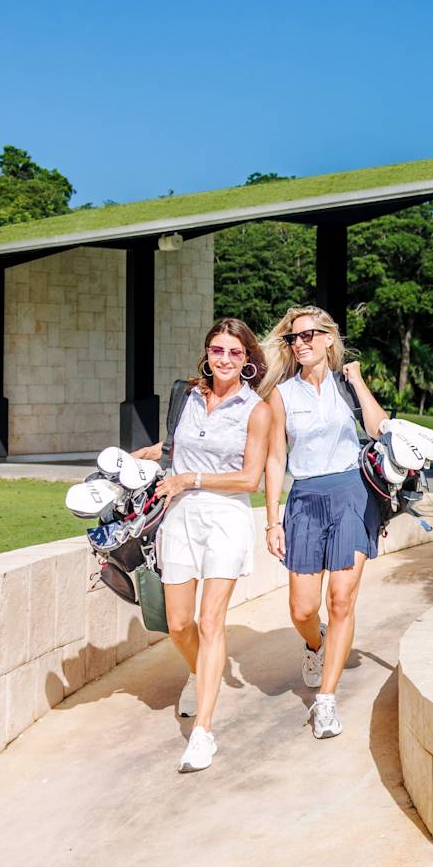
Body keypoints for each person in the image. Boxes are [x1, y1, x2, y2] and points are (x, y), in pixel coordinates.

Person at [131, 317, 273, 773]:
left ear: (247, 358)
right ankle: (200, 671)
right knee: (178, 624)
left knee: (211, 620)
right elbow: (177, 444)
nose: (224, 359)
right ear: (207, 354)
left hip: (225, 518)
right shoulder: (187, 395)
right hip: (179, 518)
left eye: (234, 352)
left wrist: (189, 479)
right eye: (217, 350)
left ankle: (203, 731)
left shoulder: (257, 410)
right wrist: (143, 455)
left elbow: (249, 479)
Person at [261, 306, 388, 739]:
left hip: (352, 495)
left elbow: (379, 429)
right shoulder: (282, 395)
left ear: (328, 338)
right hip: (305, 500)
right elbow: (275, 458)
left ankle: (326, 700)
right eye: (293, 338)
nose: (301, 344)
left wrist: (358, 381)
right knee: (302, 609)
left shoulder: (346, 386)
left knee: (341, 601)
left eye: (309, 335)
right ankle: (315, 643)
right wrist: (272, 519)